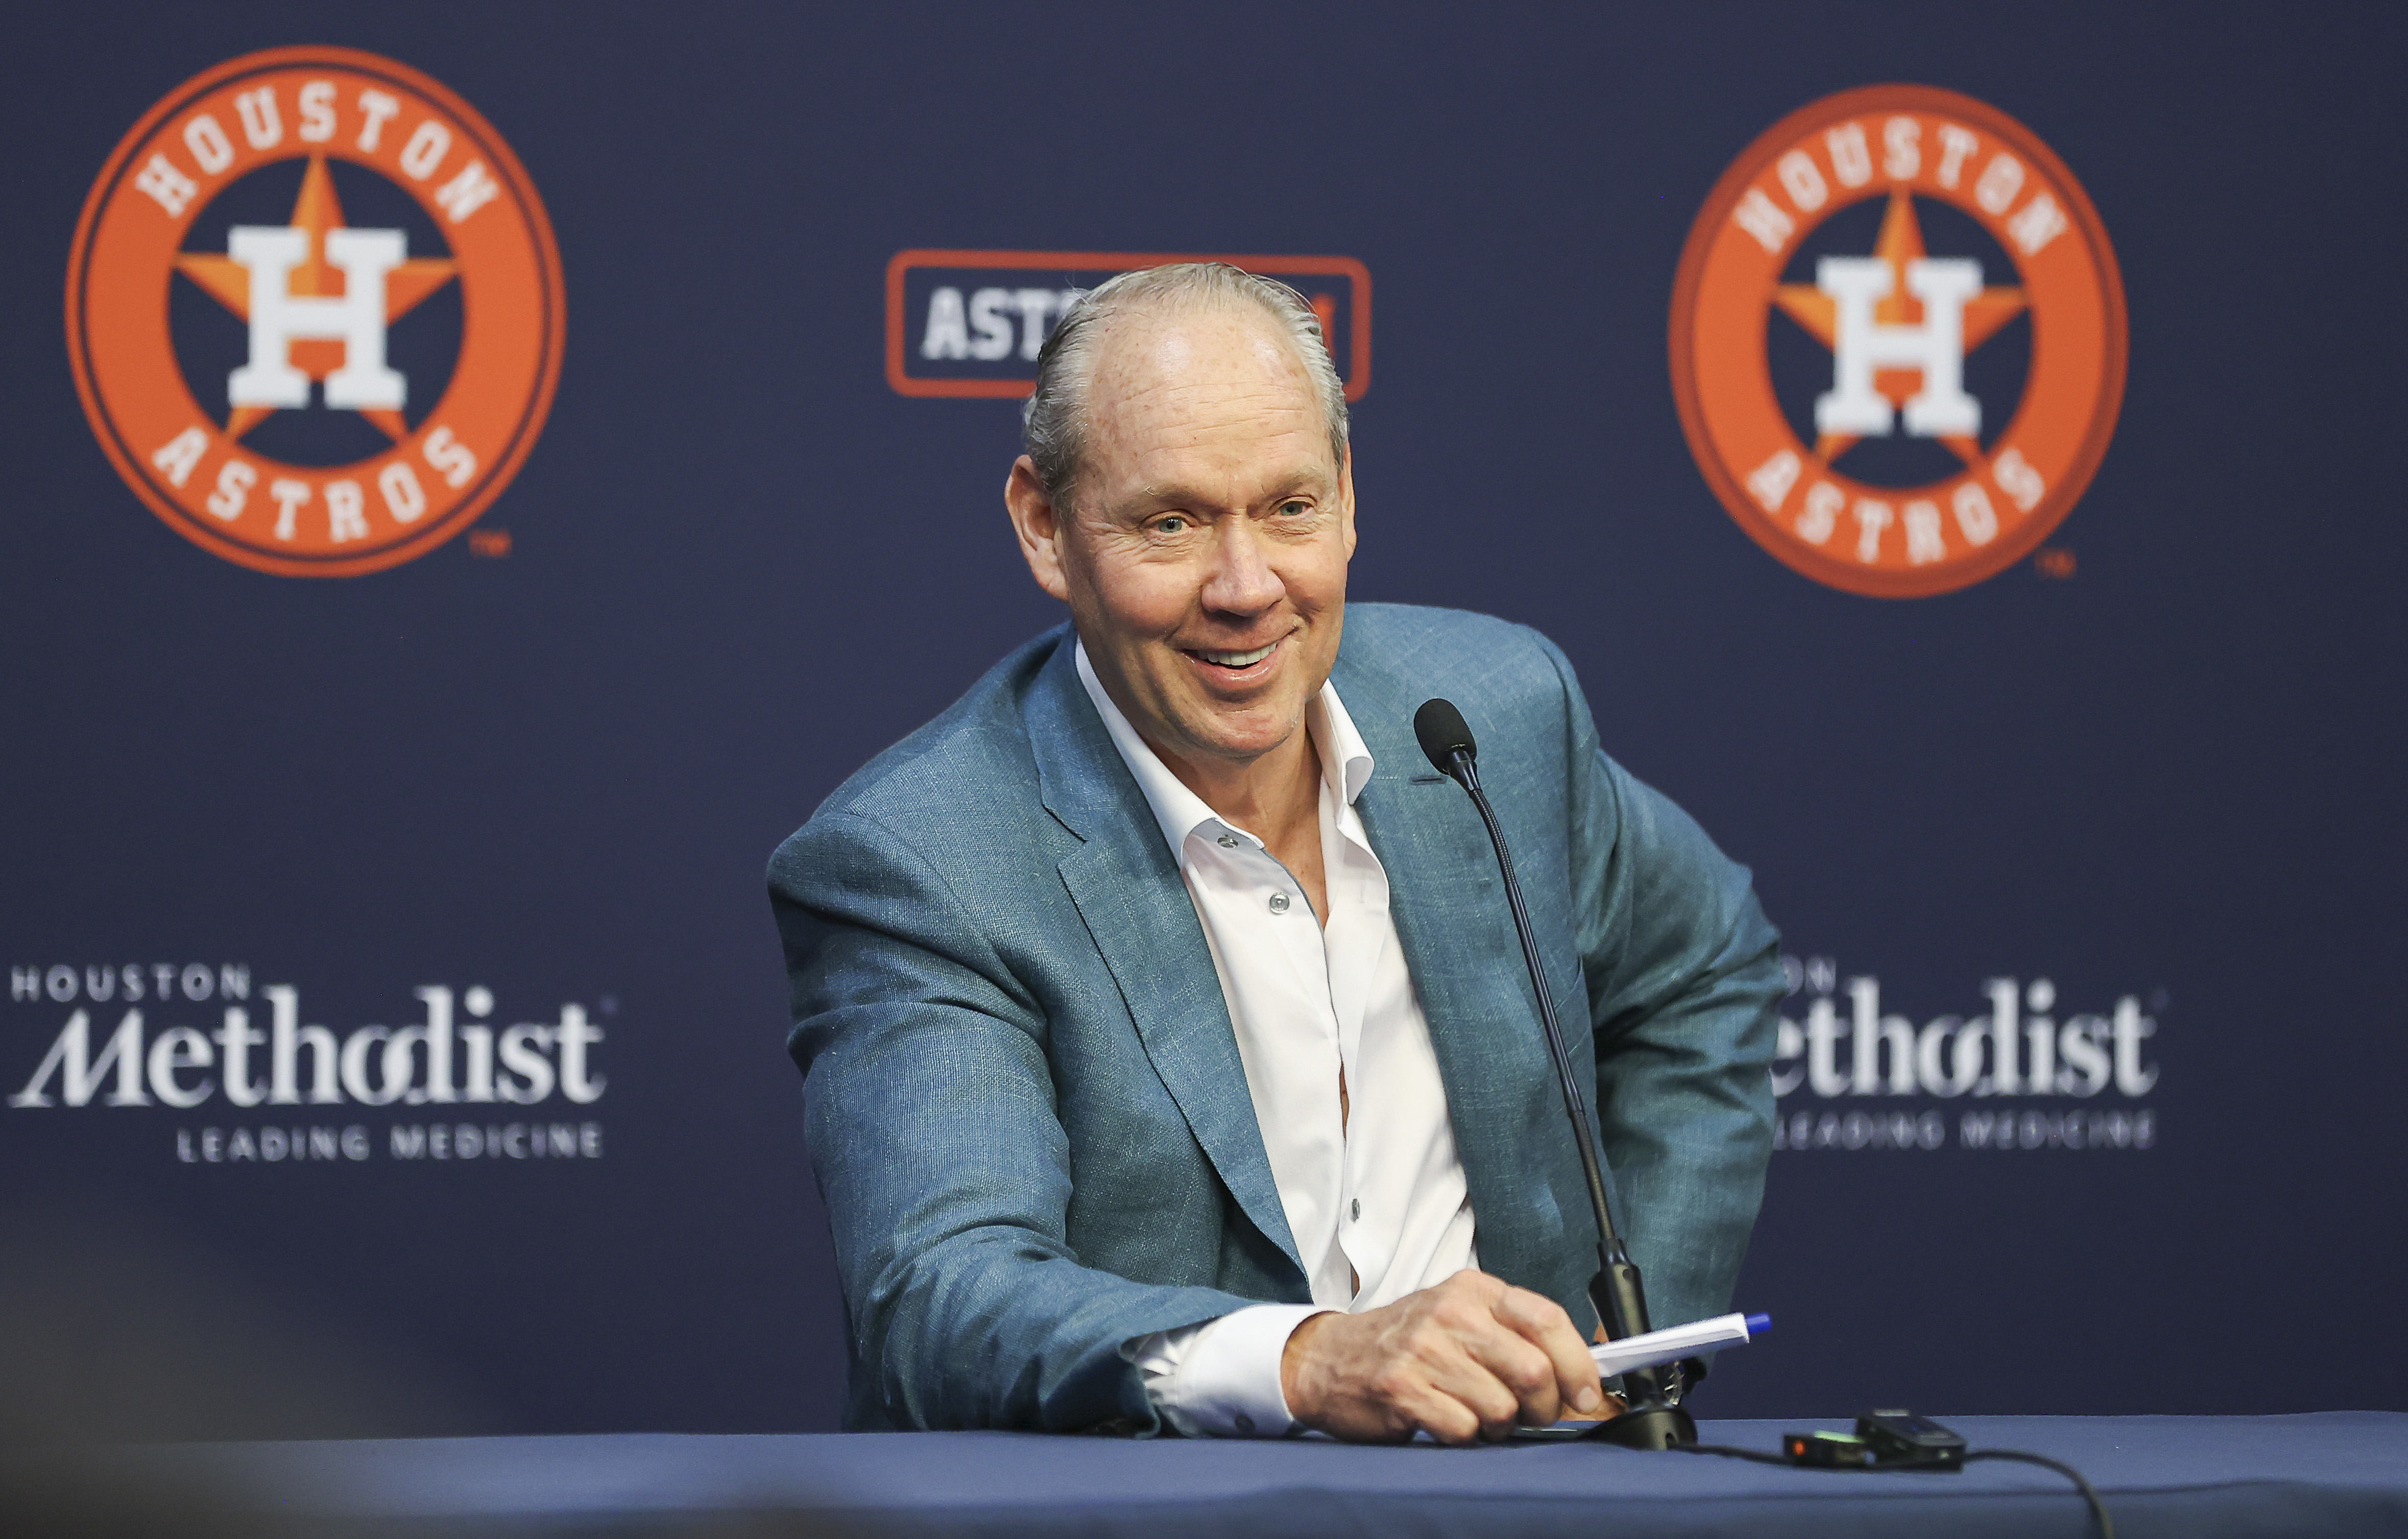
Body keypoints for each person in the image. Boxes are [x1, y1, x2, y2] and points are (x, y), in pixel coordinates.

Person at [768, 263, 1779, 1443]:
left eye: (1290, 508)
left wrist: (1621, 1347)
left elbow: (1706, 963)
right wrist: (1308, 1364)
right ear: (1045, 526)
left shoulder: (1495, 715)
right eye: (1172, 523)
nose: (1247, 589)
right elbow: (942, 1301)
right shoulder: (923, 859)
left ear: (1350, 497)